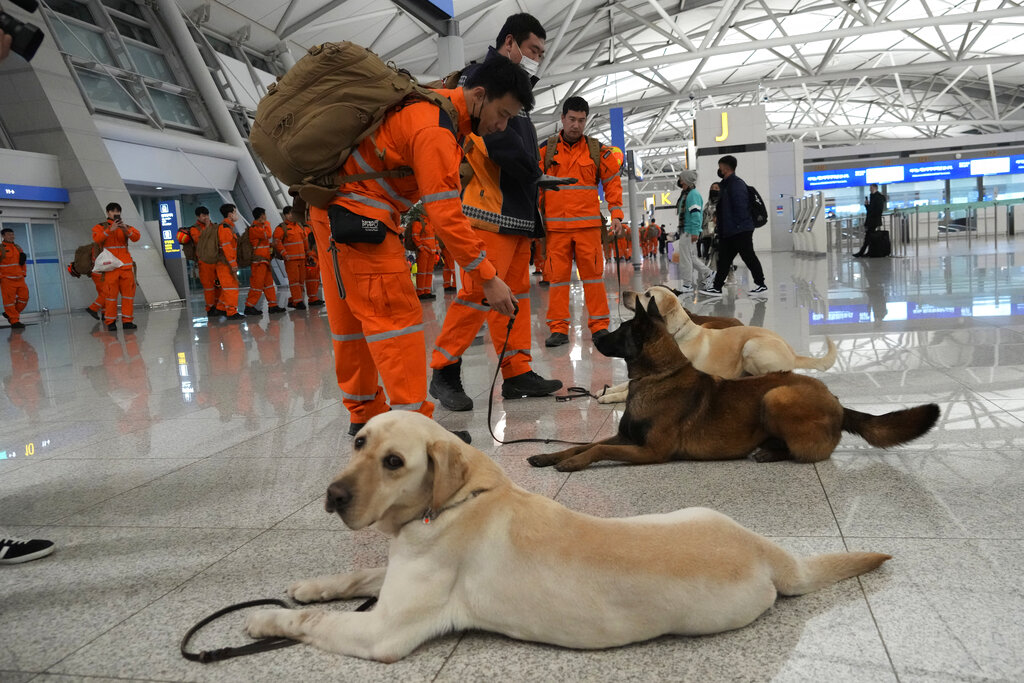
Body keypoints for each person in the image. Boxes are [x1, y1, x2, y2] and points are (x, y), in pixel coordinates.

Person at [305, 53, 528, 434]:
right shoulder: (435, 129)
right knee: (396, 319)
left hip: (330, 213)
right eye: (503, 114)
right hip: (362, 217)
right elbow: (446, 215)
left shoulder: (429, 107)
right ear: (478, 95)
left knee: (352, 321)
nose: (502, 126)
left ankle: (364, 414)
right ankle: (415, 431)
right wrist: (488, 276)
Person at [429, 13, 562, 411]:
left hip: (517, 211)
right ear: (510, 43)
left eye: (541, 52)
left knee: (514, 296)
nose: (537, 58)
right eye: (533, 50)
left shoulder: (517, 90)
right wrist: (535, 171)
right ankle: (444, 369)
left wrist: (535, 177)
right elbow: (498, 142)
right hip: (490, 209)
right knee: (477, 294)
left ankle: (517, 371)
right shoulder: (483, 80)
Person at [538, 95, 623, 348]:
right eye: (572, 119)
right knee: (558, 281)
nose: (576, 125)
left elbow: (612, 184)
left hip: (588, 229)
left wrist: (617, 215)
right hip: (556, 229)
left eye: (581, 120)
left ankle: (599, 327)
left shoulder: (599, 151)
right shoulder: (545, 151)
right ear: (562, 118)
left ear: (586, 121)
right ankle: (558, 329)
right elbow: (532, 183)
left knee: (594, 279)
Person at [700, 155, 766, 296]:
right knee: (724, 260)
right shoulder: (726, 184)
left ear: (724, 168)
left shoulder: (736, 184)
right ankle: (717, 287)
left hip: (739, 230)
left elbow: (741, 208)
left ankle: (761, 284)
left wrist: (736, 228)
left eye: (720, 167)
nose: (719, 170)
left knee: (749, 257)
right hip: (729, 231)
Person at [92, 203, 140, 331]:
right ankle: (110, 322)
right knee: (111, 297)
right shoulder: (100, 227)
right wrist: (109, 230)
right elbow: (97, 239)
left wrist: (125, 229)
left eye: (117, 211)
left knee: (128, 297)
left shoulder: (126, 227)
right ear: (108, 213)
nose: (115, 213)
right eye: (112, 211)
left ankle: (127, 321)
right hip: (110, 268)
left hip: (125, 267)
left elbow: (136, 237)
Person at [177, 207, 223, 316]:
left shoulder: (214, 226)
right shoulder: (194, 229)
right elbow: (201, 241)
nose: (206, 217)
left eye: (207, 215)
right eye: (203, 215)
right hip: (204, 262)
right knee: (209, 287)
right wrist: (207, 227)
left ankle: (219, 307)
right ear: (198, 217)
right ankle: (210, 308)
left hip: (217, 260)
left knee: (219, 285)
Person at [675, 170, 715, 292]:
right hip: (685, 230)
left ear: (686, 180)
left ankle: (687, 284)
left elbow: (696, 215)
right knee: (690, 257)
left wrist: (694, 232)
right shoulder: (686, 194)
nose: (680, 181)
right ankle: (709, 273)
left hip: (688, 231)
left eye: (681, 178)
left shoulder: (692, 195)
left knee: (685, 258)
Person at [243, 207, 285, 316]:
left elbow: (264, 241)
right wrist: (266, 223)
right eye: (264, 215)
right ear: (262, 216)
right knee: (257, 285)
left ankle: (273, 306)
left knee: (269, 284)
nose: (266, 217)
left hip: (265, 261)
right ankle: (249, 306)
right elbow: (268, 234)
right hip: (258, 262)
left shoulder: (259, 227)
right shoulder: (255, 228)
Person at [213, 204, 246, 320]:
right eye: (235, 212)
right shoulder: (225, 229)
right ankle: (231, 312)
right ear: (230, 214)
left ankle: (221, 308)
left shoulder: (227, 227)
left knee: (228, 287)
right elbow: (227, 249)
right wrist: (233, 264)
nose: (236, 215)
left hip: (224, 263)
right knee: (231, 288)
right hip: (225, 264)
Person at [273, 206, 309, 310]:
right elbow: (277, 242)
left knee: (301, 281)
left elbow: (305, 240)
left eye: (292, 213)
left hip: (302, 258)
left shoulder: (299, 226)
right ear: (285, 215)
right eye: (289, 214)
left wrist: (308, 253)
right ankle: (298, 302)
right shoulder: (281, 228)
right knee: (294, 281)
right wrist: (285, 254)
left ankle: (293, 300)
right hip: (291, 260)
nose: (291, 215)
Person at [1, 227, 29, 329]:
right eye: (9, 234)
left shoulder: (18, 247)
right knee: (9, 302)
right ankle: (14, 321)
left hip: (20, 279)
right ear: (3, 236)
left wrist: (23, 273)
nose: (11, 236)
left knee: (24, 298)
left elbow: (23, 264)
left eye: (12, 234)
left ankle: (10, 314)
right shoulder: (1, 249)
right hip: (7, 280)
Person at [854, 183, 887, 257]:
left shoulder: (878, 197)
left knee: (868, 237)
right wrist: (867, 206)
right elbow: (870, 210)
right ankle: (868, 252)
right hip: (871, 220)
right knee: (869, 237)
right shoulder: (873, 197)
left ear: (875, 188)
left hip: (873, 221)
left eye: (871, 188)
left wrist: (870, 209)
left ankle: (862, 252)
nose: (870, 189)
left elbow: (876, 210)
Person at [411, 214, 438, 300]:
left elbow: (434, 237)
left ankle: (427, 291)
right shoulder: (419, 221)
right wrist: (421, 248)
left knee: (429, 272)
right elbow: (415, 235)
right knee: (422, 272)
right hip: (424, 251)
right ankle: (420, 292)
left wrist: (437, 248)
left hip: (431, 251)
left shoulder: (431, 221)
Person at [301, 218, 324, 306]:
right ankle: (312, 298)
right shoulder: (308, 228)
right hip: (312, 255)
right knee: (312, 277)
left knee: (314, 277)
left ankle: (313, 297)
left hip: (313, 255)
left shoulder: (307, 228)